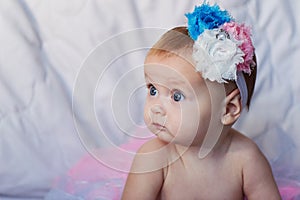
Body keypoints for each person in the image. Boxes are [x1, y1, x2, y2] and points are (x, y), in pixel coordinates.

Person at [122, 3, 281, 200]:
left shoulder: (245, 159)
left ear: (229, 109)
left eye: (176, 96)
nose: (156, 108)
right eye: (153, 89)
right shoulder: (154, 158)